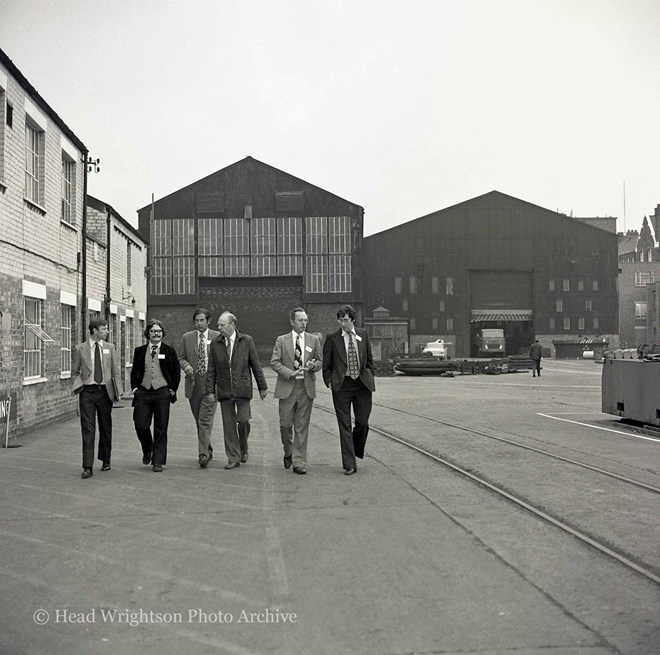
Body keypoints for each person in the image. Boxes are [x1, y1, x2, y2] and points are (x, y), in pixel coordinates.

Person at [206, 311, 268, 470]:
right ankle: (233, 458)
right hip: (224, 389)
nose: (218, 327)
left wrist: (262, 387)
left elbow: (256, 365)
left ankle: (243, 446)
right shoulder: (215, 343)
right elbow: (211, 369)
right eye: (218, 324)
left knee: (243, 420)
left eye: (222, 324)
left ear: (232, 325)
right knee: (229, 425)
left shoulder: (246, 341)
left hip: (243, 389)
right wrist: (211, 391)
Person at [322, 304, 375, 475]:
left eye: (345, 320)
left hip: (361, 385)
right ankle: (349, 464)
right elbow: (326, 365)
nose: (342, 323)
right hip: (342, 386)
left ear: (352, 319)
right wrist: (329, 381)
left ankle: (353, 449)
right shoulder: (332, 338)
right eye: (340, 320)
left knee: (362, 423)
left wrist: (370, 374)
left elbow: (369, 360)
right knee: (344, 425)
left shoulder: (363, 335)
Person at [271, 307, 323, 475]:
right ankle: (288, 451)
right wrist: (289, 373)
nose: (304, 323)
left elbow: (320, 362)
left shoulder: (313, 340)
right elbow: (275, 362)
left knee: (301, 427)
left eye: (306, 320)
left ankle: (299, 462)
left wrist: (313, 366)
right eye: (301, 320)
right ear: (292, 321)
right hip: (287, 387)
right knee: (285, 425)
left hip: (305, 389)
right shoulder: (281, 340)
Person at [71, 318, 122, 479]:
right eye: (104, 329)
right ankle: (87, 466)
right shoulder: (81, 348)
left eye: (107, 329)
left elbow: (115, 372)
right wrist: (78, 384)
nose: (107, 331)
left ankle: (106, 459)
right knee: (88, 428)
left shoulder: (110, 347)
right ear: (94, 330)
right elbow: (74, 371)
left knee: (105, 427)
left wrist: (118, 392)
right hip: (87, 392)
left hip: (105, 392)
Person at [130, 319, 181, 472]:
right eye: (153, 331)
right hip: (143, 392)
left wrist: (172, 389)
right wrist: (134, 389)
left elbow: (176, 372)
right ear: (148, 334)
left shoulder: (169, 350)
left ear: (162, 333)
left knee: (161, 427)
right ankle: (147, 448)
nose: (156, 333)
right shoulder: (139, 351)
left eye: (159, 331)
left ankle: (157, 461)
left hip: (162, 393)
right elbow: (135, 372)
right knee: (141, 425)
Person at [178, 308, 220, 468]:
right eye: (196, 320)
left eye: (202, 320)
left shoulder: (217, 337)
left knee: (205, 420)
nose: (199, 323)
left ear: (208, 321)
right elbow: (181, 358)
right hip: (194, 385)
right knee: (199, 420)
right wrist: (187, 367)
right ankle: (207, 448)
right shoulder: (187, 338)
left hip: (211, 385)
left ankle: (203, 454)